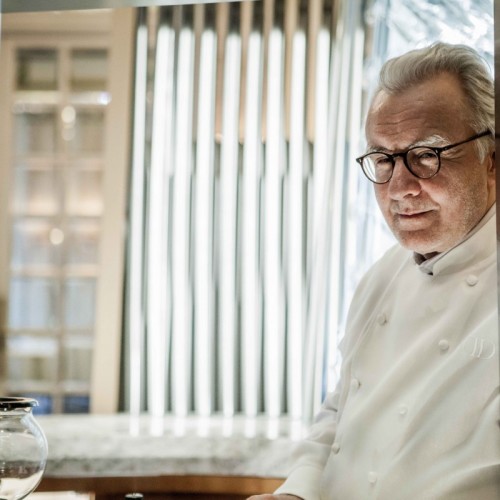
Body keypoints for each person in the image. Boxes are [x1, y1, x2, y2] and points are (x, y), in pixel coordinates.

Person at [248, 42, 499, 500]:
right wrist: (296, 493)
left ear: (492, 160)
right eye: (383, 159)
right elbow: (340, 411)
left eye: (427, 154)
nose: (400, 188)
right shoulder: (382, 276)